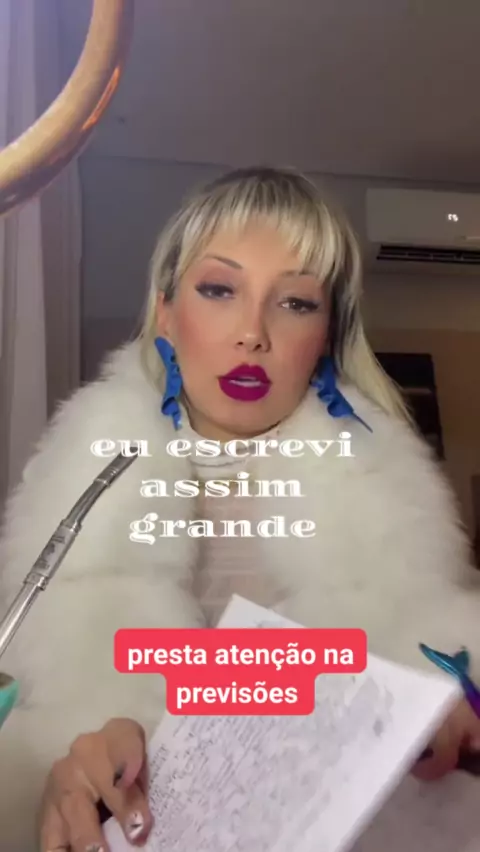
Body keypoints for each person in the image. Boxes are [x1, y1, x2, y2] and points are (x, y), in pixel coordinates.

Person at [0, 165, 479, 851]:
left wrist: (450, 718)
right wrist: (62, 776)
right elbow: (35, 716)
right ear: (167, 312)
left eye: (296, 302)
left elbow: (453, 668)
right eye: (220, 290)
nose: (253, 333)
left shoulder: (400, 520)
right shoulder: (74, 494)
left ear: (327, 333)